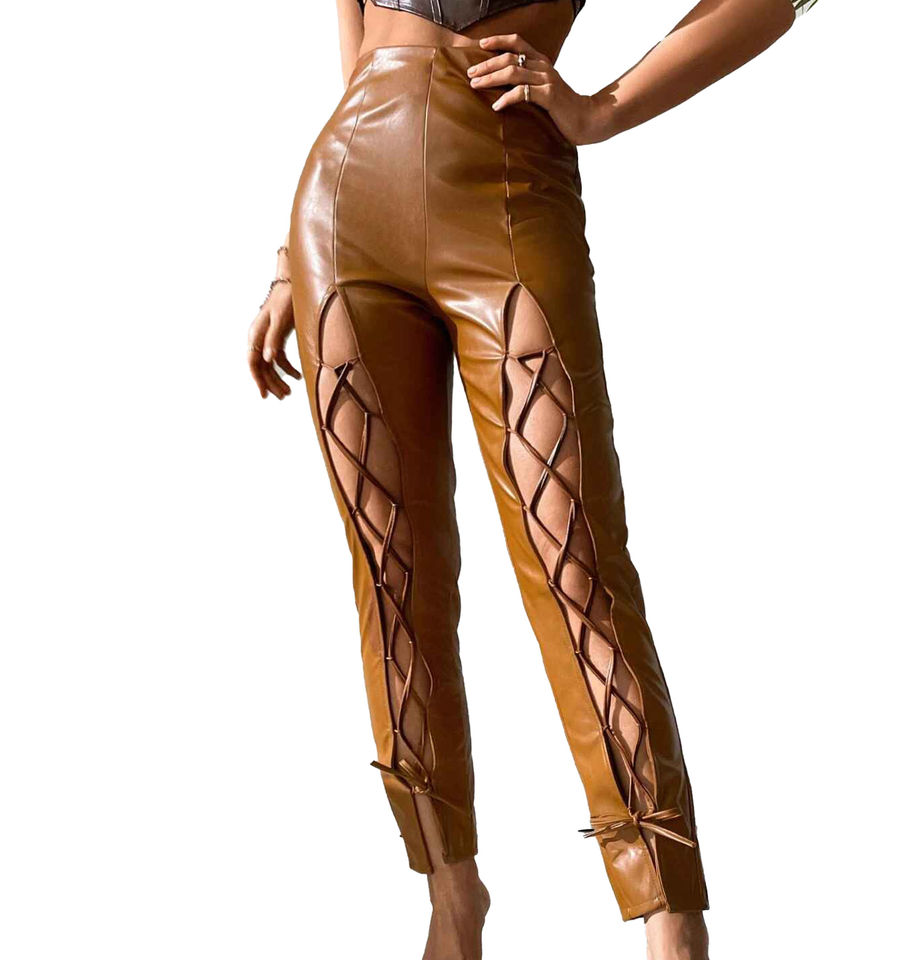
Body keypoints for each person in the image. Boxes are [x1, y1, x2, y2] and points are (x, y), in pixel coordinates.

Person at [246, 2, 817, 957]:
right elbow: (355, 57)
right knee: (393, 578)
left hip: (506, 188)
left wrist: (604, 109)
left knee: (575, 565)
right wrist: (281, 264)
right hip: (341, 210)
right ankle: (450, 896)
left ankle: (671, 919)